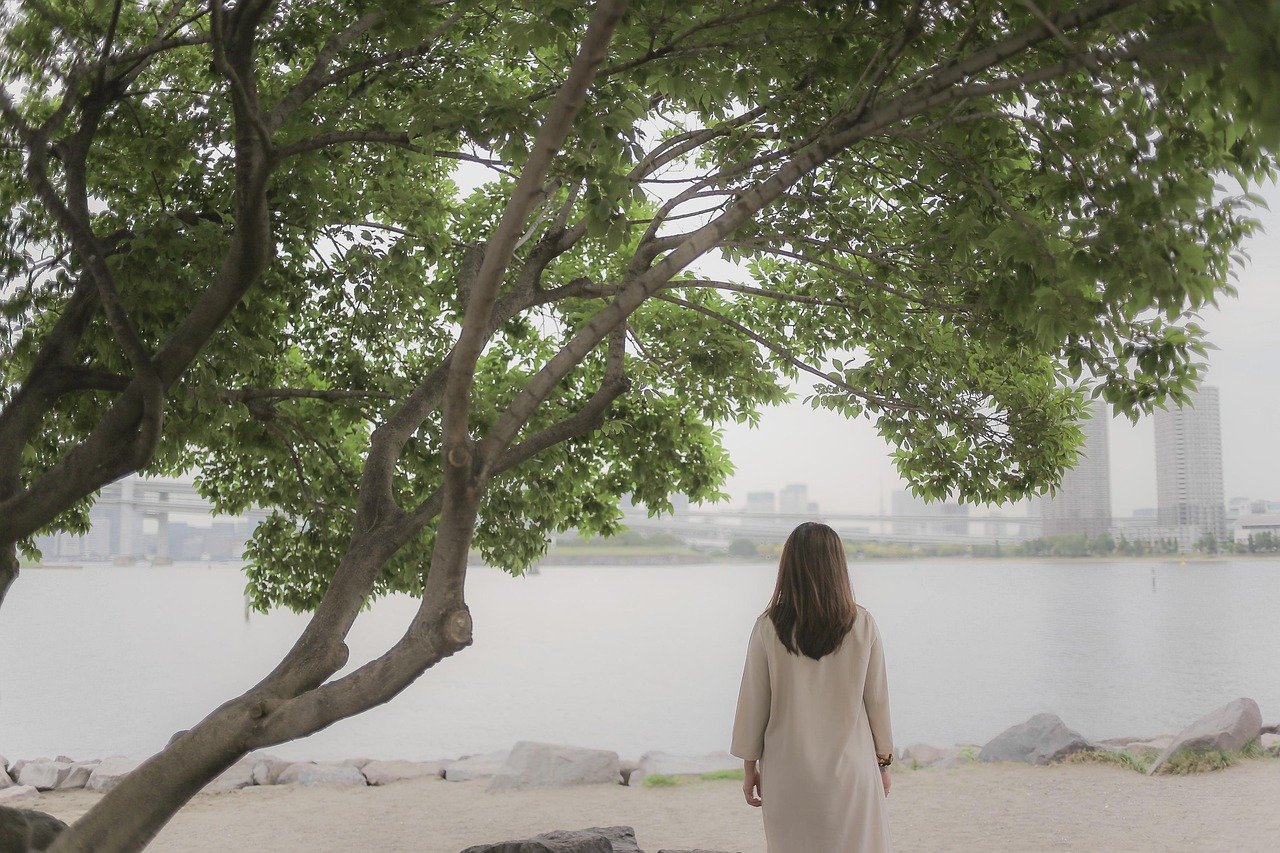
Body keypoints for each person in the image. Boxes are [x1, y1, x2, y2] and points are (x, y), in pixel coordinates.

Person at [730, 521, 894, 852]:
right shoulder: (862, 623)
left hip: (787, 773)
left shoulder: (767, 627)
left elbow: (753, 704)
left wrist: (750, 769)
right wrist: (884, 762)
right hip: (852, 771)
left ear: (788, 566)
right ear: (838, 566)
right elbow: (877, 700)